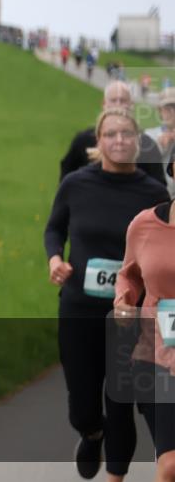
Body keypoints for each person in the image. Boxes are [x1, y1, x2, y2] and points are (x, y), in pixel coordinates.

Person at [45, 107, 170, 480]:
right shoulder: (76, 184)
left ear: (138, 142)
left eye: (127, 134)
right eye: (111, 134)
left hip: (130, 316)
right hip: (79, 308)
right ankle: (90, 431)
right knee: (83, 404)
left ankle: (115, 475)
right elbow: (55, 228)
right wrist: (54, 259)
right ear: (98, 142)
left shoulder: (153, 194)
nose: (119, 141)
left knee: (119, 404)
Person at [113, 155, 175, 482]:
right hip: (157, 355)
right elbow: (129, 275)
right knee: (170, 465)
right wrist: (124, 302)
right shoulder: (144, 225)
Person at [59, 81, 167, 185]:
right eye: (113, 100)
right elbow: (66, 176)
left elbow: (158, 188)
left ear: (131, 104)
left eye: (123, 100)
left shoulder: (148, 145)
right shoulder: (83, 140)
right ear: (104, 104)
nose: (118, 105)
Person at [144, 88, 175, 197]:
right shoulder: (149, 135)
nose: (172, 112)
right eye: (167, 108)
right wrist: (158, 147)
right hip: (154, 198)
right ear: (160, 111)